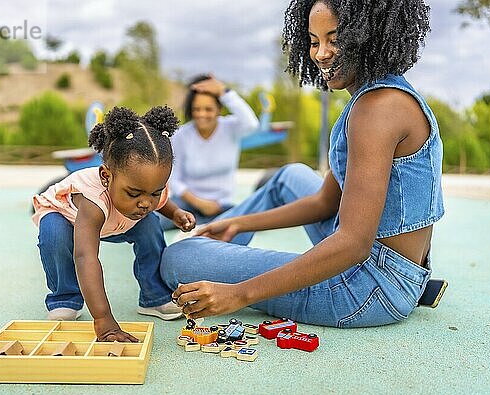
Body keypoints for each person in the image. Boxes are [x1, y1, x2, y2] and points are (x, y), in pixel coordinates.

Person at [162, 0, 444, 328]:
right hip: (397, 268)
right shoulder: (383, 94)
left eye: (334, 39)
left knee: (178, 259)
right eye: (313, 41)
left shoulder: (377, 110)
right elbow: (326, 203)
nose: (321, 53)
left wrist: (239, 293)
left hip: (369, 288)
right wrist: (240, 223)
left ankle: (210, 252)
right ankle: (220, 236)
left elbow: (353, 244)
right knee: (290, 176)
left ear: (367, 35)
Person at [32, 106, 196, 342]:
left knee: (150, 224)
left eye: (154, 192)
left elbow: (161, 200)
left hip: (116, 219)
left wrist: (176, 213)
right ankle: (65, 298)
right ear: (106, 176)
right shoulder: (93, 199)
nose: (145, 202)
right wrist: (104, 320)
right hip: (65, 217)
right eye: (134, 193)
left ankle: (153, 296)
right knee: (54, 235)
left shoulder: (147, 190)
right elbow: (85, 257)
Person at [158, 75, 259, 230]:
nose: (202, 114)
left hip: (223, 207)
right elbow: (174, 179)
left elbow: (252, 123)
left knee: (247, 221)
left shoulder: (231, 128)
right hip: (186, 205)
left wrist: (223, 91)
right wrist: (199, 203)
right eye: (196, 109)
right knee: (155, 220)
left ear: (219, 109)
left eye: (208, 109)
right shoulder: (181, 135)